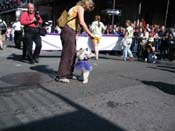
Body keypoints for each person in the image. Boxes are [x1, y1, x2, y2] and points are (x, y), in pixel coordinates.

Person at [55, 0, 95, 83]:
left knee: (72, 53)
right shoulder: (80, 8)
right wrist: (90, 34)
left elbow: (77, 23)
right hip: (68, 30)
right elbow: (82, 22)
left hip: (70, 31)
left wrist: (76, 33)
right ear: (86, 4)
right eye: (90, 6)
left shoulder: (75, 7)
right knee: (67, 53)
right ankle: (61, 75)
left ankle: (69, 73)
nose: (89, 8)